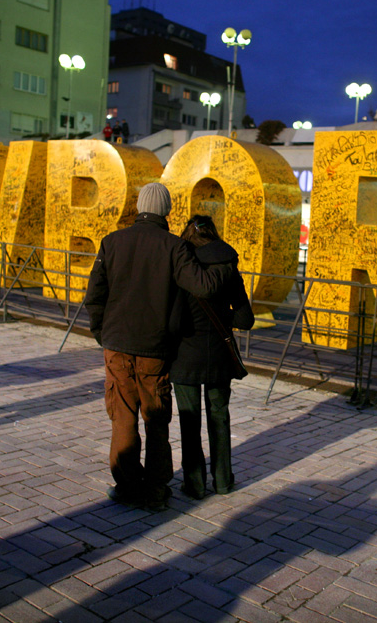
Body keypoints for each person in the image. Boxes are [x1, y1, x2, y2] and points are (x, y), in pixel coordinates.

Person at [84, 184, 232, 511]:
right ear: (166, 210)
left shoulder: (112, 242)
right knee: (156, 420)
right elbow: (203, 286)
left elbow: (93, 297)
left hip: (117, 347)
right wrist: (225, 258)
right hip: (155, 349)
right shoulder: (174, 246)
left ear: (139, 207)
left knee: (122, 416)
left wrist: (103, 334)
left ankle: (126, 486)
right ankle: (155, 491)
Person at [170, 215, 254, 499]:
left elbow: (174, 316)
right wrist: (222, 315)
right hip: (219, 355)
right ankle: (222, 481)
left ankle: (194, 484)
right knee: (219, 417)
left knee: (189, 420)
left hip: (184, 355)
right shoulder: (229, 267)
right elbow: (245, 319)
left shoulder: (182, 265)